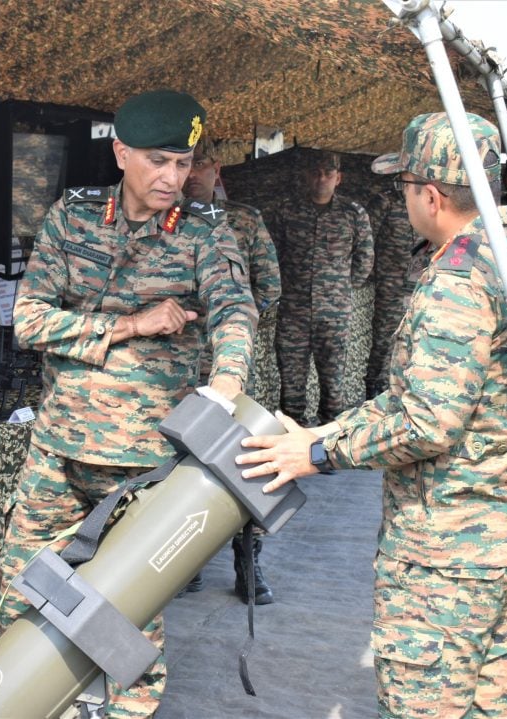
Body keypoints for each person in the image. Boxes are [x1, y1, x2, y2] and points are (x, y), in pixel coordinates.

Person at [237, 112, 507, 717]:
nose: (404, 199)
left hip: (453, 554)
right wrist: (326, 429)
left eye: (406, 187)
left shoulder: (459, 279)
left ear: (432, 194)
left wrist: (316, 453)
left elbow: (428, 419)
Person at [0, 89, 257, 718]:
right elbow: (29, 321)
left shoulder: (204, 232)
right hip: (57, 447)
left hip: (139, 460)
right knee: (23, 585)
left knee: (128, 605)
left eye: (182, 162)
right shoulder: (73, 216)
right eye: (157, 161)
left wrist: (226, 383)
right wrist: (131, 326)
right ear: (119, 152)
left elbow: (234, 311)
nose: (172, 177)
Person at [180, 134, 280, 604]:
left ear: (216, 168)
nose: (193, 174)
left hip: (229, 368)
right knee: (178, 467)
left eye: (202, 164)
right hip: (175, 369)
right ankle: (185, 561)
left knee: (242, 462)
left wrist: (231, 334)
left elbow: (270, 286)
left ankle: (247, 560)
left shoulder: (243, 220)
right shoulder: (159, 221)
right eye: (186, 164)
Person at [270, 150, 373, 424]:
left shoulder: (353, 214)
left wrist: (342, 288)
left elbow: (365, 257)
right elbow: (273, 255)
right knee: (291, 382)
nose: (321, 178)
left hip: (335, 314)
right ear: (306, 175)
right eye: (316, 172)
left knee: (333, 383)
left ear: (338, 178)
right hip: (294, 312)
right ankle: (291, 436)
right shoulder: (287, 210)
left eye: (328, 173)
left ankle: (329, 442)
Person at [363, 188, 427, 398]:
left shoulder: (425, 200)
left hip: (419, 281)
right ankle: (375, 390)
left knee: (415, 337)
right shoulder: (385, 201)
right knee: (384, 338)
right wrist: (372, 273)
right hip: (390, 282)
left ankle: (404, 390)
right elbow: (366, 238)